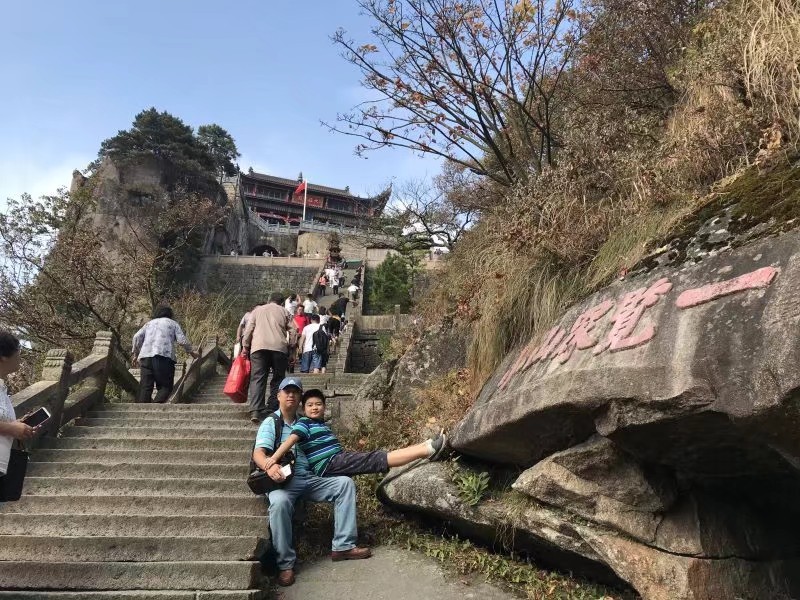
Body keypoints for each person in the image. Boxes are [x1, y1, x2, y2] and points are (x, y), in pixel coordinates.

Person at [252, 378, 371, 587]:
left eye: (295, 392)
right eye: (286, 391)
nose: (290, 395)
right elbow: (258, 453)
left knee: (344, 484)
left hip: (309, 478)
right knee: (279, 504)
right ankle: (285, 565)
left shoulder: (304, 421)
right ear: (278, 395)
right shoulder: (272, 422)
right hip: (283, 482)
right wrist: (270, 467)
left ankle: (343, 545)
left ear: (299, 398)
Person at [264, 388, 447, 477]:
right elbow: (291, 440)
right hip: (328, 464)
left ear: (324, 407)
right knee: (376, 458)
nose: (314, 408)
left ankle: (426, 446)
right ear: (303, 409)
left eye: (318, 404)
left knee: (374, 457)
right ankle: (427, 449)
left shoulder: (321, 425)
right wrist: (273, 458)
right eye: (310, 405)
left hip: (336, 460)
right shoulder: (304, 423)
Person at [242, 293, 299, 423]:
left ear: (269, 300)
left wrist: (245, 346)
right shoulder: (284, 311)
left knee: (258, 377)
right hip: (279, 348)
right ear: (282, 302)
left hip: (258, 348)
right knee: (278, 377)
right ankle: (272, 406)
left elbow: (248, 329)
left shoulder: (257, 311)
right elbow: (293, 331)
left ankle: (256, 410)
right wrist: (291, 348)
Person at [132, 306, 199, 403]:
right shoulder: (173, 323)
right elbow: (182, 341)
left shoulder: (148, 324)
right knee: (165, 387)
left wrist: (135, 354)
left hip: (146, 357)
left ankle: (141, 411)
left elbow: (136, 337)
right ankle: (155, 408)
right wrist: (192, 353)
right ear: (170, 315)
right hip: (164, 357)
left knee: (145, 388)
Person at [0, 332, 42, 482]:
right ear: (3, 356)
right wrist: (11, 429)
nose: (20, 354)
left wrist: (17, 425)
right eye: (18, 349)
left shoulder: (2, 388)